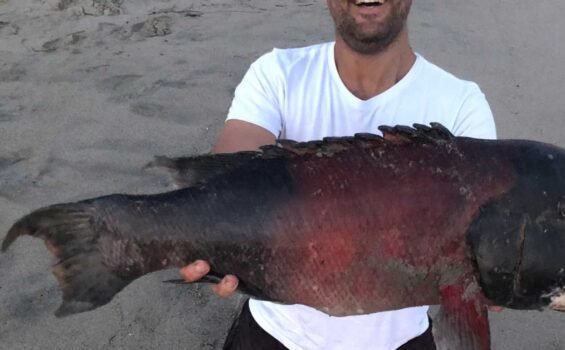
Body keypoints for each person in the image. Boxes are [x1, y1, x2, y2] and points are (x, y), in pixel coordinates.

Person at [180, 0, 496, 349]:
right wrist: (200, 231)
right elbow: (232, 163)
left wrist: (497, 279)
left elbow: (483, 236)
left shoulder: (461, 104)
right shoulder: (277, 73)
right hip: (273, 333)